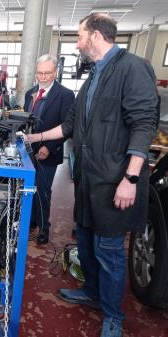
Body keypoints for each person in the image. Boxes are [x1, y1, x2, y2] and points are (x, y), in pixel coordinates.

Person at [27, 13, 158, 337]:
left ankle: (112, 315)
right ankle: (92, 294)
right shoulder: (93, 77)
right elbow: (69, 126)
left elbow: (144, 124)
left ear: (96, 35)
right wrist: (32, 138)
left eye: (79, 35)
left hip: (115, 181)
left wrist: (130, 179)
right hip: (88, 181)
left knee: (109, 252)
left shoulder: (133, 68)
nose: (77, 42)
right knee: (85, 243)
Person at [24, 54, 74, 245]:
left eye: (47, 73)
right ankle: (31, 222)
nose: (43, 77)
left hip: (49, 151)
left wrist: (49, 146)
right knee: (29, 188)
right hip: (29, 150)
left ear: (55, 73)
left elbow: (66, 127)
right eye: (39, 73)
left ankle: (44, 227)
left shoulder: (65, 95)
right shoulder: (31, 92)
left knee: (43, 190)